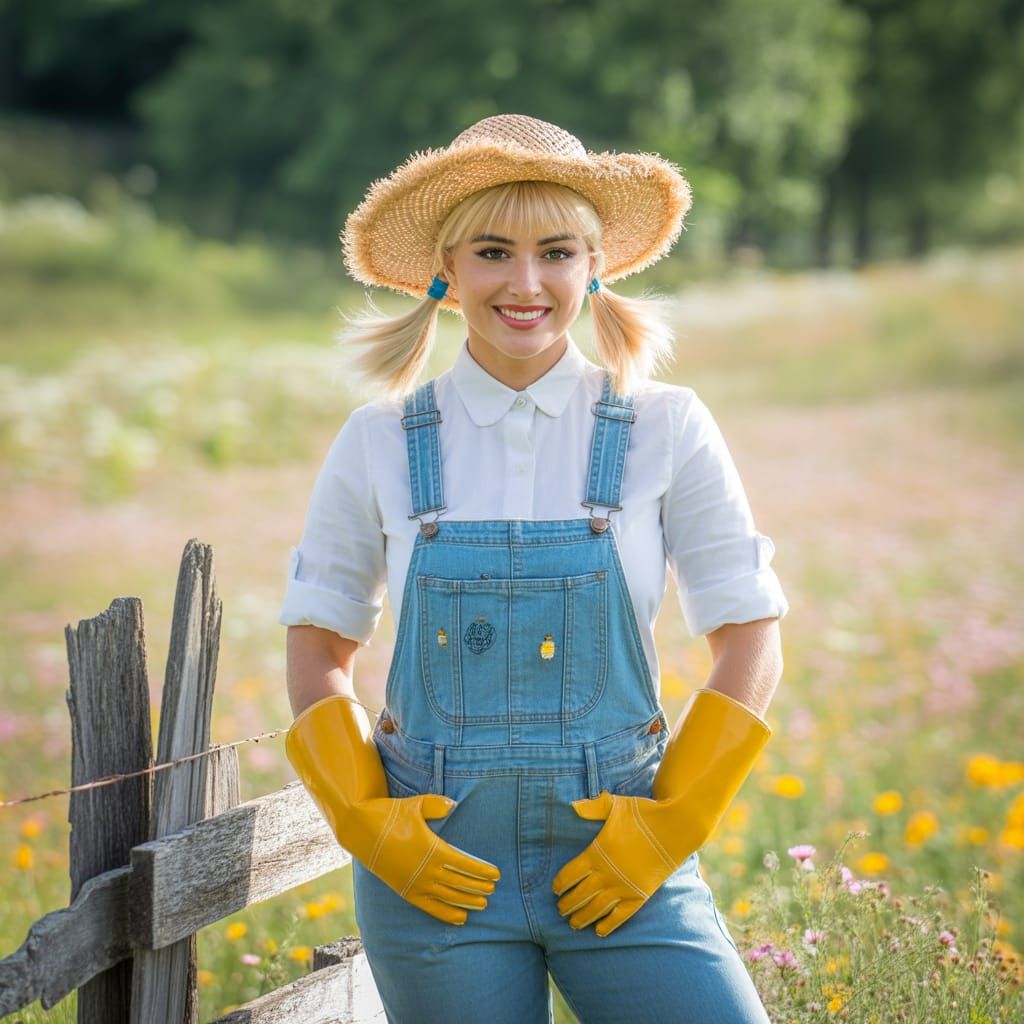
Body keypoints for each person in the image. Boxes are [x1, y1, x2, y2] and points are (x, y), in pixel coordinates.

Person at [280, 114, 789, 1024]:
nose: (525, 283)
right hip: (435, 878)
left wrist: (674, 822)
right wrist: (365, 820)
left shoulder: (665, 427)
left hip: (624, 863)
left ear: (594, 265)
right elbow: (319, 638)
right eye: (491, 252)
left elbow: (750, 632)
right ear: (447, 269)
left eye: (556, 252)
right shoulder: (380, 440)